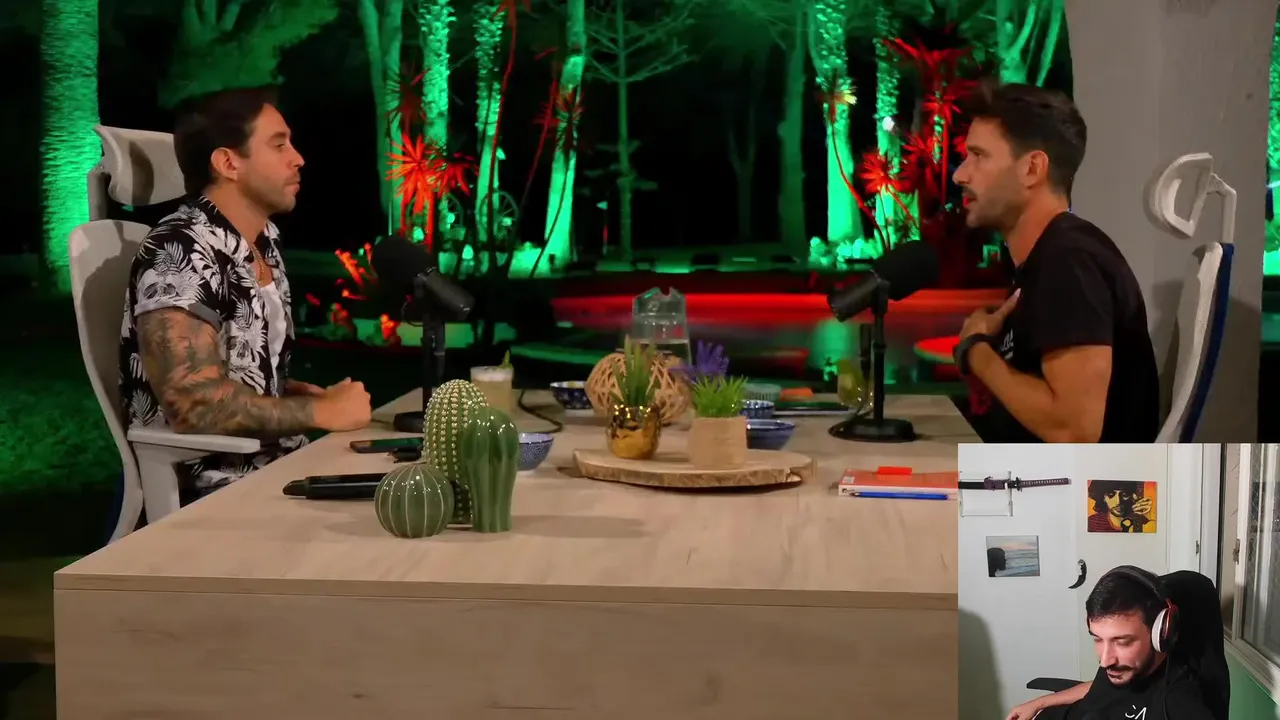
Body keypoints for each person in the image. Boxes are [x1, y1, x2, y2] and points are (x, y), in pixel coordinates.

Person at [119, 86, 372, 503]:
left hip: (282, 467)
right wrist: (318, 413)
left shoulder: (262, 241)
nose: (298, 158)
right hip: (218, 491)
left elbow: (236, 372)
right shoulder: (179, 248)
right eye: (279, 145)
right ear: (228, 162)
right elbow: (193, 403)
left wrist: (294, 394)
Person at [951, 80, 1160, 443]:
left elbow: (1075, 430)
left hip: (1081, 483)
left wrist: (976, 351)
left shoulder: (1069, 261)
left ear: (1032, 168)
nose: (960, 174)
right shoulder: (1046, 258)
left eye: (979, 156)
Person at [1005, 568, 1214, 720]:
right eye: (1097, 638)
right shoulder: (1126, 666)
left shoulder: (1180, 701)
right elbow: (1098, 686)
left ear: (1160, 634)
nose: (1105, 660)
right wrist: (1038, 704)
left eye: (1122, 642)